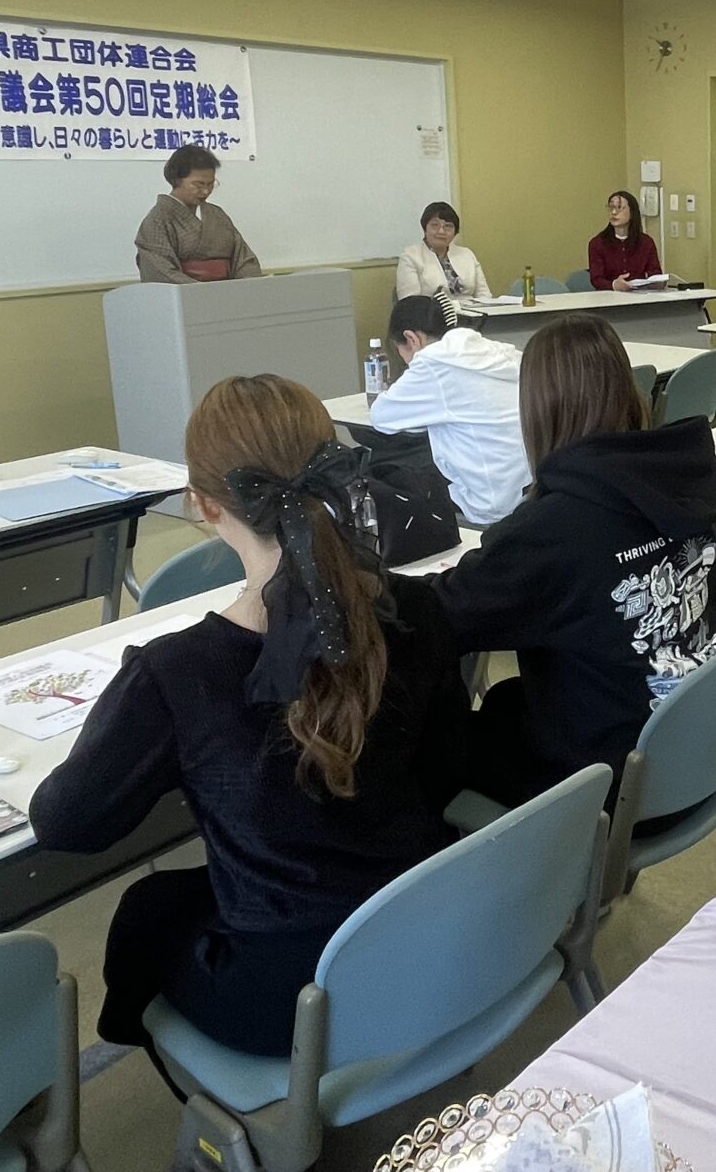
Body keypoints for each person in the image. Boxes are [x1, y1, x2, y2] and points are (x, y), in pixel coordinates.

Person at [30, 375, 473, 1059]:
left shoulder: (175, 673)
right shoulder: (415, 609)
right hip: (422, 934)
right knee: (169, 901)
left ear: (204, 504)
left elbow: (68, 823)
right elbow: (447, 765)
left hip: (292, 997)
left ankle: (187, 1078)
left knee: (146, 913)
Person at [432, 313, 716, 807]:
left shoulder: (550, 529)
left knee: (433, 745)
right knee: (506, 701)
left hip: (616, 785)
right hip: (700, 745)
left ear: (538, 410)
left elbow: (441, 616)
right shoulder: (682, 474)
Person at [369, 296, 530, 526]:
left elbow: (381, 417)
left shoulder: (432, 363)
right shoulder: (496, 350)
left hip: (487, 501)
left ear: (411, 339)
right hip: (529, 490)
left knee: (385, 467)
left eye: (401, 353)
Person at [134, 144, 262, 283]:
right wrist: (202, 291)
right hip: (188, 293)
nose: (206, 191)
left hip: (228, 292)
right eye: (199, 184)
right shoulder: (158, 220)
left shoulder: (217, 214)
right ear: (177, 180)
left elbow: (244, 259)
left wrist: (247, 285)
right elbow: (160, 271)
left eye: (210, 184)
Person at [396, 202, 492, 302]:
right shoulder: (410, 256)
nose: (441, 231)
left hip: (472, 311)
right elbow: (410, 303)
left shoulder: (467, 254)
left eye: (448, 226)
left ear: (455, 232)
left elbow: (484, 294)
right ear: (425, 229)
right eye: (435, 225)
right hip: (432, 311)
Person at [588, 189, 664, 290]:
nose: (614, 212)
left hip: (640, 295)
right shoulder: (597, 243)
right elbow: (596, 279)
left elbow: (655, 273)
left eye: (619, 208)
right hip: (609, 296)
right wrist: (614, 285)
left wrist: (658, 282)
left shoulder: (646, 242)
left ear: (632, 212)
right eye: (611, 207)